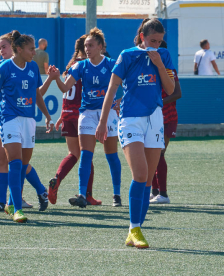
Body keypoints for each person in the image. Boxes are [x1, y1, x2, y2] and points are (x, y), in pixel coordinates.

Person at [96, 18, 175, 249]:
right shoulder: (127, 55)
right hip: (130, 120)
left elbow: (170, 89)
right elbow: (112, 88)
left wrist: (159, 64)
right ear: (142, 36)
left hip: (155, 119)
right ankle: (134, 227)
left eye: (160, 41)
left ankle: (136, 229)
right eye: (152, 40)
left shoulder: (163, 56)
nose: (156, 45)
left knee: (148, 179)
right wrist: (103, 122)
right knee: (139, 175)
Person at [0, 31, 54, 212]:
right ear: (19, 49)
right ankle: (13, 207)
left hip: (29, 120)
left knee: (22, 165)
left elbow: (36, 93)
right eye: (31, 49)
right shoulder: (3, 68)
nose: (34, 52)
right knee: (14, 163)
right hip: (8, 119)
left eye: (3, 46)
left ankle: (34, 193)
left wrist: (48, 116)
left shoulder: (33, 68)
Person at [50, 27, 122, 208]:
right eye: (85, 45)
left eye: (90, 45)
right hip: (87, 114)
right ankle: (82, 194)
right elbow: (65, 89)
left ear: (101, 47)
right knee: (85, 155)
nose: (87, 48)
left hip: (108, 114)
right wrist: (56, 78)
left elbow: (130, 83)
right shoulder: (80, 65)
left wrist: (122, 100)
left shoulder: (111, 64)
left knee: (111, 155)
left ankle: (117, 194)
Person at [49, 34, 103, 206]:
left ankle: (57, 179)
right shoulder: (86, 65)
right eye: (88, 45)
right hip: (81, 114)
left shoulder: (71, 65)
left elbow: (66, 92)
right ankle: (87, 195)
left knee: (74, 154)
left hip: (67, 113)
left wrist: (62, 115)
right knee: (87, 155)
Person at [150, 40, 182, 204]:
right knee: (152, 153)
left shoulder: (168, 69)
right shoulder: (149, 68)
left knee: (159, 153)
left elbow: (178, 93)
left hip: (166, 117)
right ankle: (154, 192)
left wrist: (159, 101)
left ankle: (163, 194)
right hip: (153, 116)